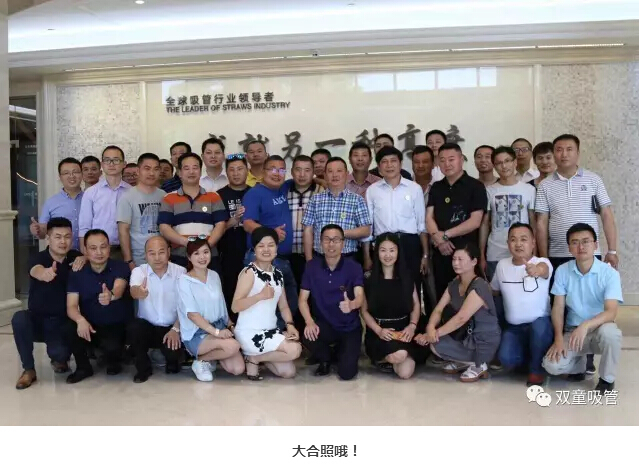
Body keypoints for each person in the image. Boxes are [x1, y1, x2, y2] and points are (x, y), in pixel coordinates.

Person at [535, 134, 619, 374]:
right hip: (558, 254)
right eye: (559, 149)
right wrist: (544, 258)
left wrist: (612, 249)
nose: (564, 154)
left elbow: (606, 214)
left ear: (578, 153)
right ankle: (567, 350)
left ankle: (588, 357)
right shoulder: (545, 185)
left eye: (569, 149)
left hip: (590, 254)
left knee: (591, 304)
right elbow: (541, 222)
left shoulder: (593, 180)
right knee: (561, 305)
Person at [542, 223, 623, 393]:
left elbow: (611, 311)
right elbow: (558, 307)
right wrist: (558, 338)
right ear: (569, 248)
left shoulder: (609, 274)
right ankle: (579, 367)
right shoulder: (562, 271)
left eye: (586, 241)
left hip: (600, 329)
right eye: (575, 242)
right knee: (551, 366)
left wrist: (585, 325)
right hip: (573, 332)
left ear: (595, 245)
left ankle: (607, 379)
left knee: (612, 334)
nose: (581, 247)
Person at [12, 218, 85, 390]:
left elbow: (91, 257)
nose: (63, 241)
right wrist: (43, 273)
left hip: (61, 322)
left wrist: (85, 258)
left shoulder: (75, 257)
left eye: (67, 236)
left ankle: (59, 358)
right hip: (37, 320)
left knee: (60, 355)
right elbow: (34, 269)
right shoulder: (38, 258)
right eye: (57, 237)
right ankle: (28, 369)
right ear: (48, 238)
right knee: (19, 318)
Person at [416, 243, 501, 382]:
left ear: (474, 261)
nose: (455, 263)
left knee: (433, 341)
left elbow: (461, 318)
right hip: (465, 336)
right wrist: (430, 328)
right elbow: (439, 309)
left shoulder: (480, 285)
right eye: (454, 259)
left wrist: (431, 335)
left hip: (483, 340)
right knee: (435, 344)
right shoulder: (454, 283)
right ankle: (465, 362)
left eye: (460, 259)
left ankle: (480, 364)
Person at [232, 228, 302, 380]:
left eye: (270, 245)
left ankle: (255, 358)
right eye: (261, 246)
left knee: (288, 372)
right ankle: (254, 357)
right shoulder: (249, 272)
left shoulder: (277, 274)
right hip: (250, 332)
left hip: (270, 331)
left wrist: (290, 325)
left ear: (276, 248)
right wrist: (260, 296)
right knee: (294, 349)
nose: (266, 249)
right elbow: (235, 306)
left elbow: (283, 306)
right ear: (254, 249)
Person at [64, 229, 132, 383]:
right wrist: (80, 320)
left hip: (115, 325)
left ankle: (115, 357)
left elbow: (119, 288)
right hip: (90, 325)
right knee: (68, 327)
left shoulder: (120, 266)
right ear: (85, 250)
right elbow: (71, 305)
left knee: (113, 352)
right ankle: (83, 368)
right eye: (93, 248)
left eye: (103, 247)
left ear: (109, 248)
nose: (99, 252)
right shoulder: (77, 272)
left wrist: (111, 295)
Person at [299, 224, 365, 380]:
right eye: (327, 240)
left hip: (349, 327)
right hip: (325, 325)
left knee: (347, 374)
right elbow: (302, 300)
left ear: (343, 243)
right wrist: (309, 322)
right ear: (320, 242)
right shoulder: (312, 267)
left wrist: (352, 305)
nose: (331, 244)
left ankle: (341, 352)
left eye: (336, 240)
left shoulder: (354, 267)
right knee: (308, 334)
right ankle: (325, 358)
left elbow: (360, 296)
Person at [492, 223, 554, 386]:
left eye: (523, 239)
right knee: (506, 359)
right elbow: (494, 291)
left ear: (533, 243)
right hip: (514, 328)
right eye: (513, 240)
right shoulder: (502, 265)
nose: (518, 244)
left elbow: (544, 270)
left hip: (539, 324)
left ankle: (536, 370)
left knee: (539, 329)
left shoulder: (542, 261)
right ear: (508, 244)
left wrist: (536, 270)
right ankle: (531, 358)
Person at [366, 146, 428, 305]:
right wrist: (367, 255)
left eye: (393, 161)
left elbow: (421, 224)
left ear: (400, 164)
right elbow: (368, 226)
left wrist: (425, 255)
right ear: (379, 167)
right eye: (384, 162)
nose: (389, 165)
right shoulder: (372, 190)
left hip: (409, 243)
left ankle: (413, 319)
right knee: (386, 286)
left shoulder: (414, 189)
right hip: (383, 244)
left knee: (412, 285)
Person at [176, 238, 245, 382]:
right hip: (197, 332)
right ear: (189, 257)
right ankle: (200, 362)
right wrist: (217, 333)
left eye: (205, 252)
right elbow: (192, 315)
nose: (202, 257)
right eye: (196, 253)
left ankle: (208, 358)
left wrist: (230, 325)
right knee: (232, 346)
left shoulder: (214, 275)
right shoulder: (184, 280)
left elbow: (221, 306)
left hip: (218, 326)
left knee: (237, 369)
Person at [242, 155, 299, 324]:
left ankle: (284, 338)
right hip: (262, 260)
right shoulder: (254, 193)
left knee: (289, 307)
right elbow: (247, 224)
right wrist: (270, 234)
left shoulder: (283, 188)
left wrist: (323, 181)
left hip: (283, 259)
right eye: (272, 169)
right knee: (267, 311)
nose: (277, 173)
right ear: (263, 171)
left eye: (281, 170)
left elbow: (304, 179)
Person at [427, 142, 487, 300]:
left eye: (451, 159)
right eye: (442, 160)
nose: (447, 164)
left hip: (467, 252)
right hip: (441, 252)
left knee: (467, 295)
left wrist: (444, 235)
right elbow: (429, 217)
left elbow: (475, 221)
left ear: (461, 159)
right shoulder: (436, 187)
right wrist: (438, 239)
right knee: (443, 296)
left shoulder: (476, 186)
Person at [361, 233, 423, 379]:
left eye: (392, 250)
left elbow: (416, 305)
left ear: (398, 252)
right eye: (383, 250)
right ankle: (384, 358)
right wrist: (379, 330)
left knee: (405, 373)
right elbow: (364, 311)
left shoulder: (407, 276)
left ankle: (394, 358)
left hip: (404, 330)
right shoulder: (368, 278)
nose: (387, 255)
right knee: (399, 355)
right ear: (377, 252)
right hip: (380, 332)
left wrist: (412, 326)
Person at [127, 236, 185, 383]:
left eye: (161, 252)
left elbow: (186, 305)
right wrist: (139, 292)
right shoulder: (139, 271)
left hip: (171, 328)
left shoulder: (180, 272)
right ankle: (143, 368)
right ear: (146, 255)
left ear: (169, 252)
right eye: (152, 253)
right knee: (134, 327)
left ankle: (172, 360)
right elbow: (134, 291)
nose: (157, 258)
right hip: (148, 327)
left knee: (173, 356)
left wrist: (176, 329)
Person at [158, 152, 228, 270]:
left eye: (195, 168)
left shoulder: (213, 196)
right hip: (180, 257)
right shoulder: (168, 198)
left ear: (200, 171)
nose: (191, 172)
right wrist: (187, 243)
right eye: (186, 168)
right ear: (179, 173)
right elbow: (164, 228)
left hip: (209, 257)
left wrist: (205, 248)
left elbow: (221, 225)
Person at [479, 146, 536, 282]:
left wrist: (535, 251)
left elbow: (533, 222)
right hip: (495, 252)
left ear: (515, 162)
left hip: (523, 252)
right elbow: (485, 224)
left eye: (507, 161)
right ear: (494, 166)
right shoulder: (489, 191)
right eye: (499, 163)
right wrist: (481, 255)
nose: (504, 166)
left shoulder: (529, 189)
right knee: (495, 292)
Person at [302, 157, 371, 262]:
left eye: (339, 171)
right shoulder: (315, 200)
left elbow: (366, 230)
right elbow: (308, 230)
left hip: (347, 258)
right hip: (320, 257)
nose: (334, 175)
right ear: (325, 175)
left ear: (347, 174)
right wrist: (309, 261)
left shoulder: (357, 200)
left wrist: (339, 233)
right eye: (330, 171)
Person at [78, 145, 131, 259]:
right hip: (98, 250)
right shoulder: (91, 192)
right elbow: (84, 226)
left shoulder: (131, 192)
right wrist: (85, 253)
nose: (111, 164)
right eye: (107, 160)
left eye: (116, 160)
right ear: (102, 164)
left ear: (124, 164)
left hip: (127, 248)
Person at [117, 153, 165, 270]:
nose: (151, 173)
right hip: (138, 258)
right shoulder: (127, 197)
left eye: (156, 169)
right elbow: (123, 230)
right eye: (147, 168)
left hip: (161, 256)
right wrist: (128, 260)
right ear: (138, 171)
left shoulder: (163, 195)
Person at [217, 154, 251, 309]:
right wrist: (234, 220)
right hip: (228, 254)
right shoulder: (218, 196)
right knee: (230, 292)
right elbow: (214, 229)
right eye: (232, 170)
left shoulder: (255, 193)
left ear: (247, 170)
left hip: (253, 253)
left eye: (240, 169)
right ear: (226, 172)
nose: (236, 173)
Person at [30, 157, 84, 250]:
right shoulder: (51, 203)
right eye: (66, 173)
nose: (71, 176)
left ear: (82, 174)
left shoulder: (91, 199)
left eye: (75, 172)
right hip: (61, 253)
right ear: (60, 177)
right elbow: (43, 233)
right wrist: (37, 230)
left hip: (87, 254)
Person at [287, 155, 323, 290]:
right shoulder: (283, 191)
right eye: (298, 170)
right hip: (288, 255)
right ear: (292, 172)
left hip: (315, 254)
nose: (302, 175)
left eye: (307, 170)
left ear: (313, 172)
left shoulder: (322, 191)